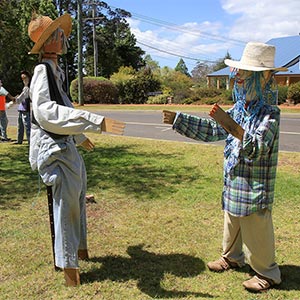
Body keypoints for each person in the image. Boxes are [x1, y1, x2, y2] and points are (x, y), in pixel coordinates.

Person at [163, 42, 287, 292]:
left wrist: (232, 126)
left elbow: (258, 147)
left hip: (255, 185)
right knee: (232, 222)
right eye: (238, 76)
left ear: (263, 79)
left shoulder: (270, 114)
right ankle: (232, 257)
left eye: (244, 76)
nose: (238, 80)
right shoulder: (239, 110)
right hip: (234, 181)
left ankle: (267, 272)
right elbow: (212, 130)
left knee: (256, 226)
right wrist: (179, 120)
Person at [27, 13, 125, 286]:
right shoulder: (41, 71)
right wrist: (94, 121)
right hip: (53, 150)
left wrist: (81, 137)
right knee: (66, 206)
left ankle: (80, 250)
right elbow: (46, 112)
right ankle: (70, 267)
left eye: (61, 33)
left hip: (65, 144)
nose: (63, 37)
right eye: (57, 34)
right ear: (48, 42)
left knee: (78, 193)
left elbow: (66, 106)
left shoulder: (56, 72)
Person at [14, 71, 32, 144]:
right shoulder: (25, 87)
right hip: (21, 108)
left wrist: (15, 99)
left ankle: (30, 141)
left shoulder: (27, 88)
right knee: (20, 126)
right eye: (22, 78)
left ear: (29, 78)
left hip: (25, 109)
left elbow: (21, 97)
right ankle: (19, 140)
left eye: (25, 78)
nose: (24, 80)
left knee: (27, 126)